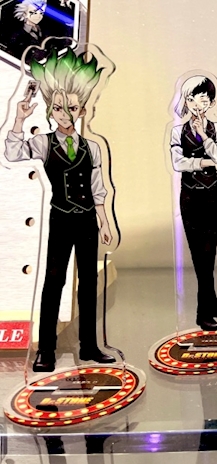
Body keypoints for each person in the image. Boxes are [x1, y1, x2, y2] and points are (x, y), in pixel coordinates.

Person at [4, 50, 115, 372]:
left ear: (82, 110)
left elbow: (98, 187)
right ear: (50, 110)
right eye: (57, 108)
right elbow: (12, 153)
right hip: (61, 218)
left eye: (72, 108)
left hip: (87, 220)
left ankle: (90, 346)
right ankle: (46, 350)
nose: (64, 114)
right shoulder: (43, 143)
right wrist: (20, 119)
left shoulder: (92, 147)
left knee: (89, 284)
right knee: (54, 282)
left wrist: (104, 221)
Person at [169, 75, 217, 331]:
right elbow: (178, 163)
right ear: (186, 101)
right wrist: (207, 163)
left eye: (203, 99)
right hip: (189, 196)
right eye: (192, 98)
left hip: (212, 195)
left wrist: (204, 135)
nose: (197, 104)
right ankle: (205, 310)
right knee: (198, 254)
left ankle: (206, 307)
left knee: (209, 252)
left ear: (211, 102)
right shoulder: (177, 131)